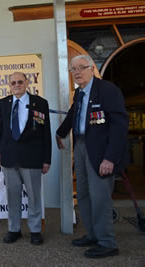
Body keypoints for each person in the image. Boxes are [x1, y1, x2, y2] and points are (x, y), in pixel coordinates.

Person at [56, 55, 129, 258]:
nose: (77, 72)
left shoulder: (107, 90)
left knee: (99, 198)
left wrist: (111, 158)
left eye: (81, 68)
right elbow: (73, 114)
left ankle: (107, 242)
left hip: (101, 151)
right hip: (80, 146)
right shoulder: (79, 93)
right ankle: (94, 234)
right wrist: (60, 132)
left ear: (92, 69)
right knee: (84, 194)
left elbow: (120, 125)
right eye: (73, 69)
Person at [0, 72, 51, 245]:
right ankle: (14, 229)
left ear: (27, 82)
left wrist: (46, 159)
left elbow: (45, 133)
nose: (17, 85)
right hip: (9, 158)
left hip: (32, 157)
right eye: (13, 82)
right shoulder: (4, 103)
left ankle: (35, 230)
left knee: (34, 197)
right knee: (12, 196)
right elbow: (2, 131)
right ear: (9, 85)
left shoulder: (40, 103)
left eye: (20, 81)